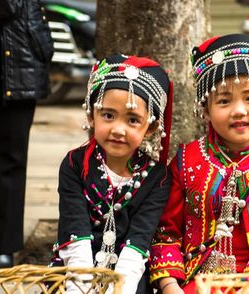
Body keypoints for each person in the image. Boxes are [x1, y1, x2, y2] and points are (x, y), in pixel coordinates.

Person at [148, 33, 249, 294]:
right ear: (205, 110)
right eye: (224, 101)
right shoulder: (185, 162)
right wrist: (170, 284)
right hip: (198, 281)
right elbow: (166, 233)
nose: (238, 110)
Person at [52, 54, 173, 294]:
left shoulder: (157, 177)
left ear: (150, 128)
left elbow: (140, 239)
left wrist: (120, 288)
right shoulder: (75, 165)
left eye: (132, 120)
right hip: (77, 266)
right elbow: (75, 228)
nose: (118, 129)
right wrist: (81, 287)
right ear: (91, 115)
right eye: (108, 115)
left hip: (128, 269)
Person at [0, 0, 53, 268]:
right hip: (19, 55)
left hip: (19, 61)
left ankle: (3, 246)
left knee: (11, 159)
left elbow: (9, 6)